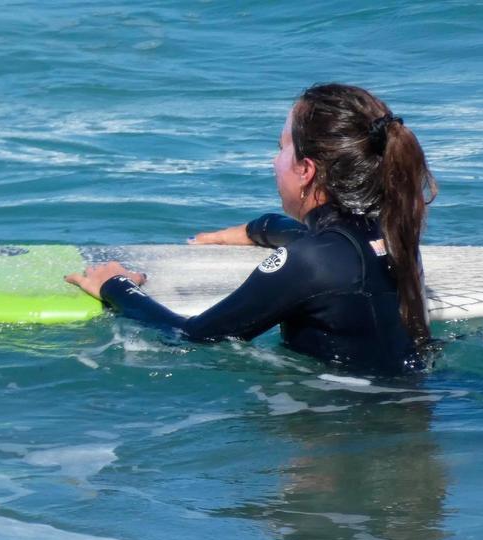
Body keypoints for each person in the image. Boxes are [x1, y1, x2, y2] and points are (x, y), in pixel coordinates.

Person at [65, 83, 438, 376]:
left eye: (281, 149)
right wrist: (255, 229)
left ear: (306, 170)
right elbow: (307, 242)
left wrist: (115, 286)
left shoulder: (311, 262)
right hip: (411, 402)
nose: (274, 162)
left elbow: (194, 337)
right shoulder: (387, 233)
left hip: (352, 427)